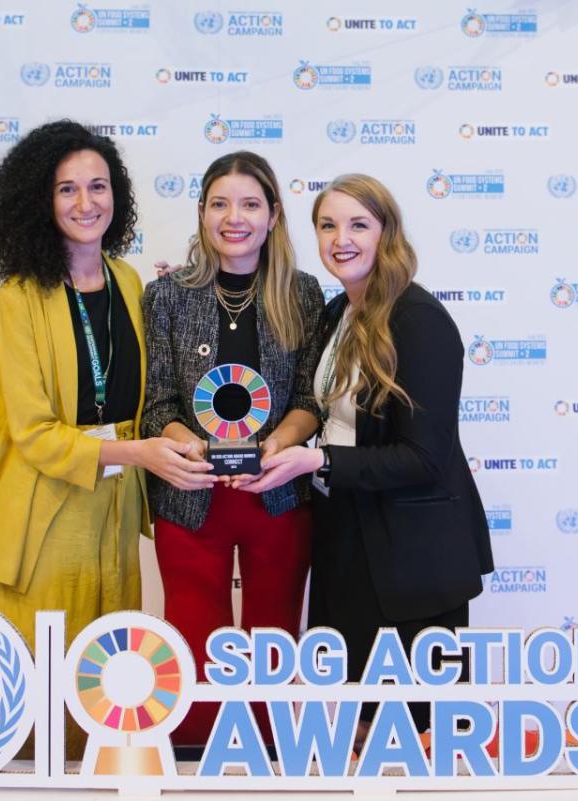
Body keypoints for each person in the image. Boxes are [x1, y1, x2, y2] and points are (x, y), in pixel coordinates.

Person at [0, 120, 215, 755]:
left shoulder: (129, 281)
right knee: (43, 694)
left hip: (115, 509)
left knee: (107, 677)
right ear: (40, 201)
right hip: (47, 510)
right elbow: (32, 433)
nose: (87, 203)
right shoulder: (18, 298)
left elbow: (145, 394)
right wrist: (135, 452)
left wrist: (168, 443)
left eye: (99, 186)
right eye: (67, 189)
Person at [240, 173, 493, 740]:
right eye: (328, 225)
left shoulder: (418, 321)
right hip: (348, 542)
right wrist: (284, 445)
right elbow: (324, 412)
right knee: (359, 724)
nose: (340, 238)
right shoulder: (337, 314)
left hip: (414, 560)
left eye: (358, 224)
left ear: (387, 233)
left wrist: (320, 462)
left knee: (422, 731)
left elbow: (425, 458)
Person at [141, 151, 325, 746]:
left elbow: (309, 398)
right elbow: (157, 404)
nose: (233, 218)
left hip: (278, 493)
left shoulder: (302, 293)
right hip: (191, 496)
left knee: (275, 637)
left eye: (249, 204)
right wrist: (192, 451)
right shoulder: (166, 294)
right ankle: (195, 757)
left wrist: (276, 446)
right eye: (219, 203)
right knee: (193, 640)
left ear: (273, 215)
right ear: (201, 213)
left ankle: (273, 754)